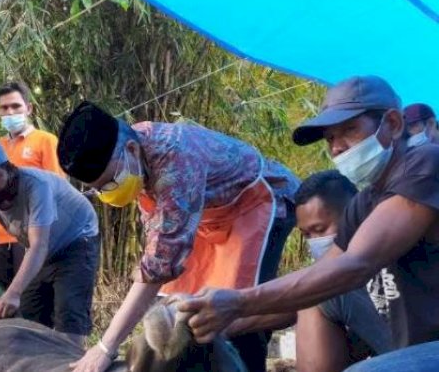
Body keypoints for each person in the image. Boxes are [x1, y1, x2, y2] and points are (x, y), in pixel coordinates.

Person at [179, 75, 439, 371]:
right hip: (413, 346)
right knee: (318, 299)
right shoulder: (364, 202)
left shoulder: (425, 165)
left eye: (349, 130)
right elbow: (323, 274)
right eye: (330, 138)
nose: (338, 148)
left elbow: (356, 265)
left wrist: (238, 300)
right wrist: (211, 320)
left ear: (392, 124)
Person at [56, 101, 300, 372]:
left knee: (233, 314)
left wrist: (105, 347)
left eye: (110, 182)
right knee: (174, 311)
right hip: (206, 215)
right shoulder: (136, 153)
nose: (109, 193)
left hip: (256, 203)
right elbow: (158, 245)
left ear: (131, 150)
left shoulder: (175, 161)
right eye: (100, 190)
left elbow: (160, 264)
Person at [227, 170, 393, 370]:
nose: (315, 241)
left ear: (355, 215)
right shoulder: (348, 293)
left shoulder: (388, 248)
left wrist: (234, 309)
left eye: (320, 230)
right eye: (307, 234)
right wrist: (225, 322)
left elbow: (309, 294)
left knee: (314, 295)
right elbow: (289, 306)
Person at [0, 138, 99, 345]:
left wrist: (12, 293)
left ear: (8, 169)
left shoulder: (36, 186)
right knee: (28, 323)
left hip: (77, 240)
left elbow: (39, 245)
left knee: (69, 323)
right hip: (40, 251)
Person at [0, 82, 65, 289]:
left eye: (16, 106)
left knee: (30, 299)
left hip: (30, 236)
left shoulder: (46, 141)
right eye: (4, 108)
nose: (10, 112)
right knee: (1, 300)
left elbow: (57, 188)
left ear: (29, 108)